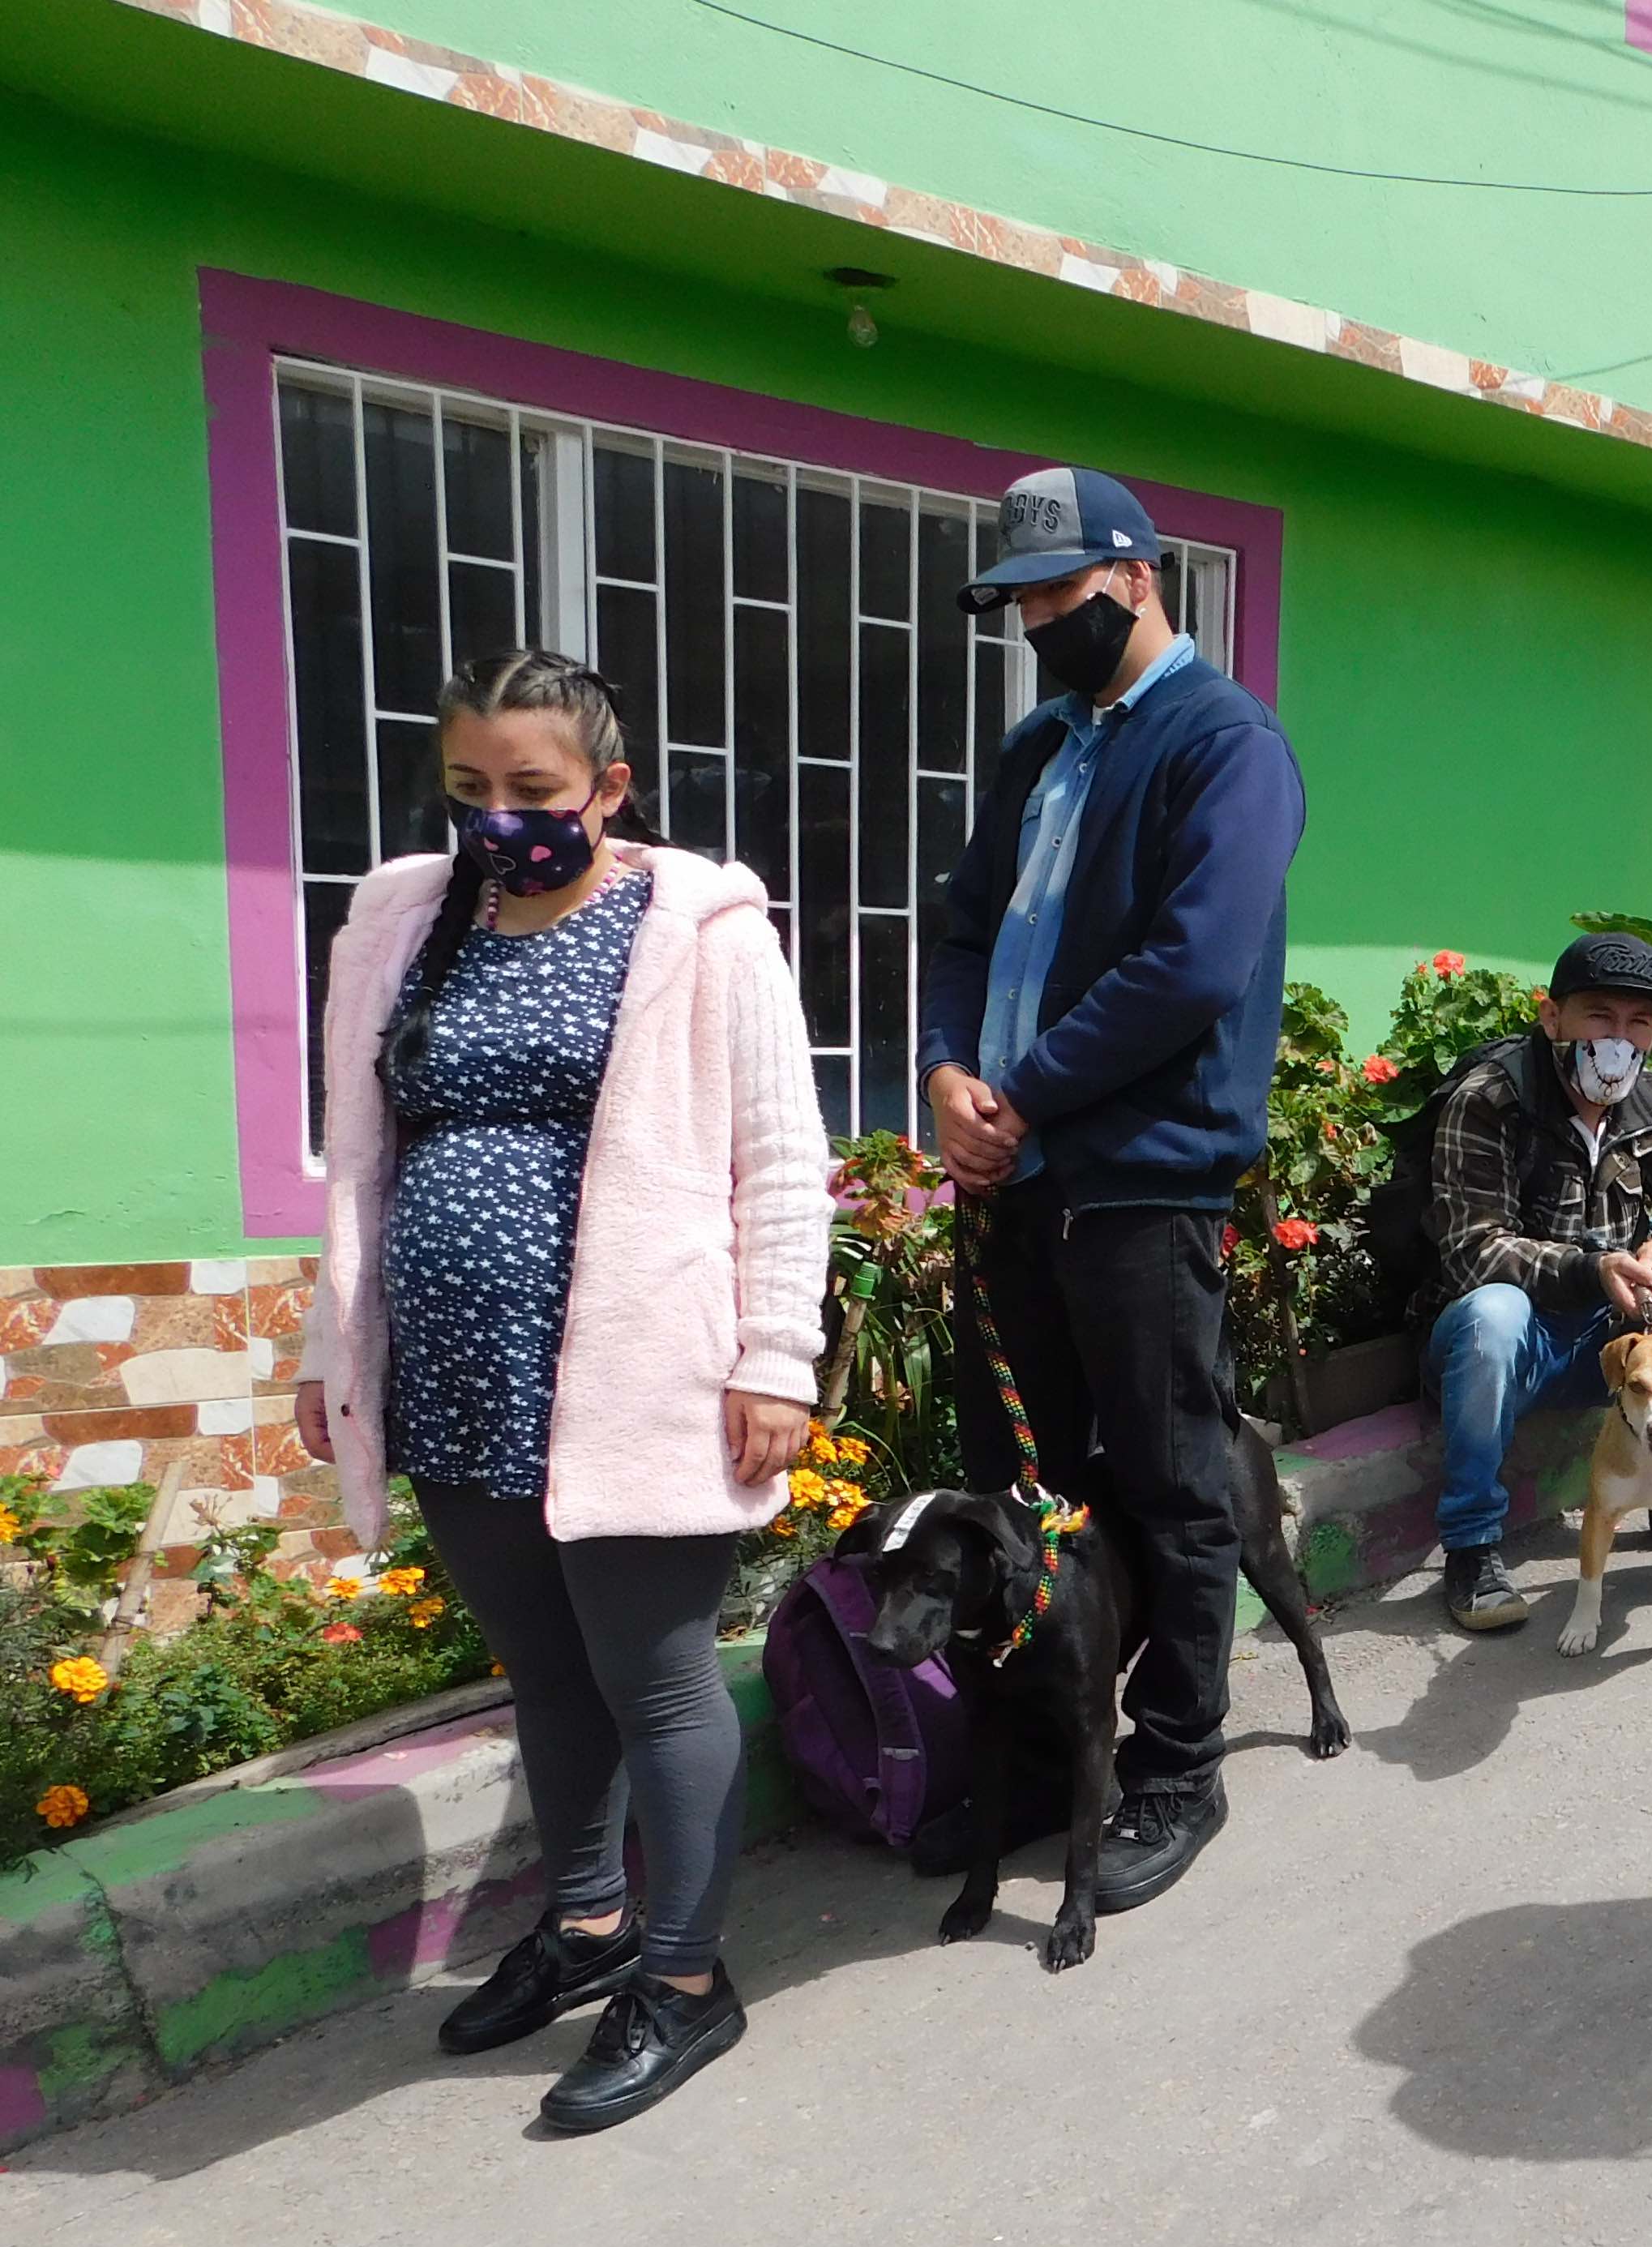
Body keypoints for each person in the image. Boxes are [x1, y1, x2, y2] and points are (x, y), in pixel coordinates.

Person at [298, 653, 830, 2133]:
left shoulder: (700, 932)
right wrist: (327, 1348)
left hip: (639, 1367)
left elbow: (781, 1158)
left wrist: (774, 1355)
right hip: (459, 1376)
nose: (497, 818)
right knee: (543, 1671)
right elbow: (362, 1153)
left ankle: (685, 1974)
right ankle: (589, 1927)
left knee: (653, 1677)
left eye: (531, 791)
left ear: (610, 785)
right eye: (468, 789)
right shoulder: (412, 924)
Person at [919, 464, 1305, 1911]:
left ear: (1139, 576)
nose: (1034, 618)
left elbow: (1192, 967)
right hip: (1015, 1180)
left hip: (1138, 1188)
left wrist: (1025, 1097)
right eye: (1016, 600)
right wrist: (952, 1073)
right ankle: (1039, 1762)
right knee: (1031, 1498)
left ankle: (1175, 1767)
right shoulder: (1038, 752)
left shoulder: (1227, 748)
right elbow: (966, 933)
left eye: (1056, 592)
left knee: (1170, 1487)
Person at [1421, 928, 1652, 1633]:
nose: (1619, 1039)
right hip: (1528, 1344)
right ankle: (1471, 1546)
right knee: (1490, 1314)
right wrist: (1590, 1270)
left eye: (1639, 1022)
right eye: (1600, 1016)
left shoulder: (1645, 1100)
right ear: (1551, 1016)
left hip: (1626, 1344)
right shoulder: (1490, 1101)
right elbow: (1471, 1250)